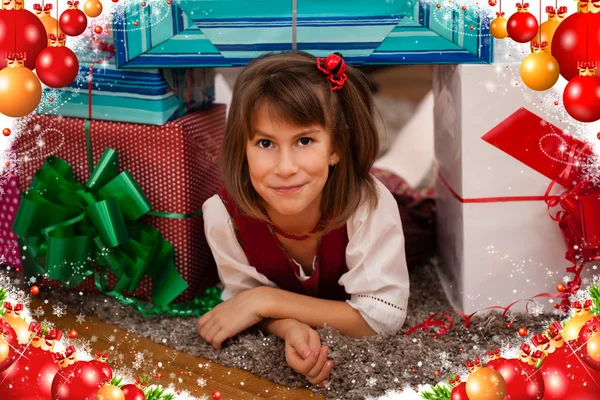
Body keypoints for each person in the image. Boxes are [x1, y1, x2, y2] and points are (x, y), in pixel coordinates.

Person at [198, 51, 435, 387]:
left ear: (336, 146)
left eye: (304, 140)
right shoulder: (223, 216)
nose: (285, 167)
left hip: (390, 207)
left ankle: (435, 104)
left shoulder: (370, 204)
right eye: (265, 142)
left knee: (403, 167)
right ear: (243, 148)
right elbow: (244, 303)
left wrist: (268, 299)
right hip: (320, 184)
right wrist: (290, 326)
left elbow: (379, 319)